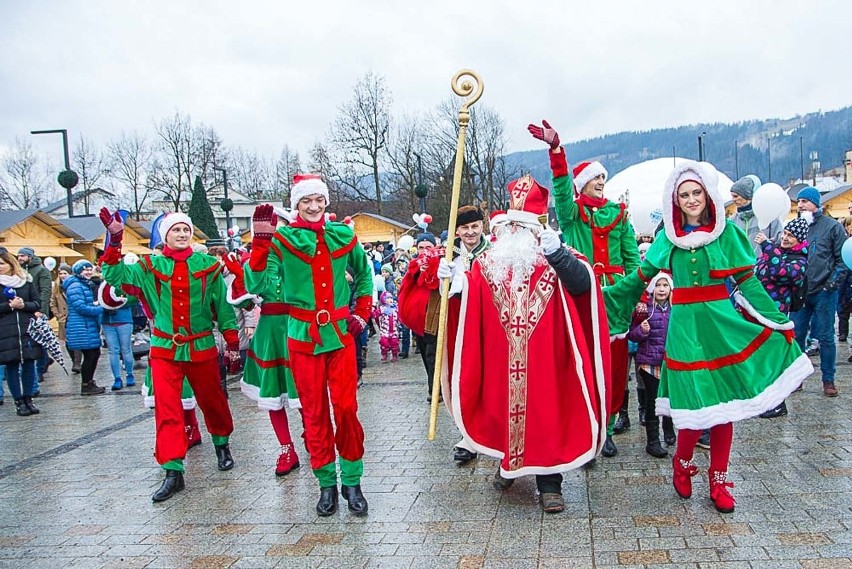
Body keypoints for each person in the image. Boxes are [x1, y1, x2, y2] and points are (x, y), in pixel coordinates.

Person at [604, 160, 812, 513]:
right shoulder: (667, 238)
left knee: (723, 406)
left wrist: (778, 322)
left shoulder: (726, 232)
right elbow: (638, 277)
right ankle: (682, 462)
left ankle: (719, 478)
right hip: (684, 327)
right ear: (676, 200)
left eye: (696, 192)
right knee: (692, 404)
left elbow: (749, 282)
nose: (691, 199)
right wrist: (604, 298)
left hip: (720, 323)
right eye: (683, 194)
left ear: (707, 194)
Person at [399, 174, 610, 513]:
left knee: (545, 414)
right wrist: (452, 284)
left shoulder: (555, 256)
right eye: (509, 224)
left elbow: (584, 285)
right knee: (502, 410)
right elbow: (469, 296)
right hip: (502, 359)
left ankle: (549, 483)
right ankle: (509, 465)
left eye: (520, 225)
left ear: (535, 227)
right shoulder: (490, 263)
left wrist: (559, 256)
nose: (512, 232)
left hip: (547, 360)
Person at [245, 174, 373, 517]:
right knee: (314, 413)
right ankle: (326, 484)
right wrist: (260, 243)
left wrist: (361, 313)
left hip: (340, 336)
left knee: (346, 409)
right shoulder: (283, 240)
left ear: (326, 201)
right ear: (296, 205)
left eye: (318, 200)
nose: (313, 207)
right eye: (306, 202)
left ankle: (353, 481)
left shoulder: (344, 236)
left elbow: (364, 275)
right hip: (302, 338)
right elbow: (256, 283)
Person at [99, 208, 241, 502]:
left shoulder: (207, 266)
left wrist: (230, 337)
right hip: (165, 350)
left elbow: (221, 306)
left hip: (200, 345)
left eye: (185, 230)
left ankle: (222, 443)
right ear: (165, 235)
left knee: (212, 399)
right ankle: (173, 470)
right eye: (175, 230)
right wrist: (114, 239)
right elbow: (113, 274)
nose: (181, 234)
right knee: (167, 409)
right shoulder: (149, 266)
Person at [528, 120, 640, 458]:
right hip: (582, 292)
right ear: (583, 185)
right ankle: (588, 422)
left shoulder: (619, 214)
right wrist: (556, 152)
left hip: (617, 296)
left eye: (604, 178)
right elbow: (561, 190)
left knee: (616, 364)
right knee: (586, 360)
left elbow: (633, 257)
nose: (601, 184)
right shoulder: (572, 214)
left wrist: (634, 292)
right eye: (595, 179)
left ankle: (607, 423)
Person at [789, 187, 846, 397]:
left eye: (805, 201)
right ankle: (796, 379)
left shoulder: (832, 227)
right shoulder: (795, 228)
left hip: (824, 291)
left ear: (815, 203)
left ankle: (828, 379)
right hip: (801, 291)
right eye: (799, 201)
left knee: (826, 337)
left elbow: (842, 260)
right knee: (796, 337)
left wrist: (831, 284)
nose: (801, 205)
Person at [754, 217, 810, 418]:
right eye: (785, 233)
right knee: (762, 356)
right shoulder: (776, 251)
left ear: (799, 240)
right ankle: (765, 399)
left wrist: (767, 246)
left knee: (774, 358)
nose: (785, 238)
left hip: (776, 315)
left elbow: (780, 272)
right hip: (759, 312)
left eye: (791, 236)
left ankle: (779, 403)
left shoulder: (800, 261)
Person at [627, 273, 676, 457]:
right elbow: (632, 334)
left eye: (665, 285)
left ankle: (669, 430)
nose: (661, 289)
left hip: (669, 361)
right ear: (652, 288)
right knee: (652, 401)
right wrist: (641, 330)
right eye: (658, 285)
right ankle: (653, 441)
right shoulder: (644, 309)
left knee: (670, 397)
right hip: (649, 362)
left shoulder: (675, 309)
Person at [0, 248, 43, 416]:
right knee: (12, 365)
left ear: (11, 264)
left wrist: (24, 305)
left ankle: (28, 398)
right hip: (6, 331)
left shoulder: (26, 281)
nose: (0, 267)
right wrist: (9, 306)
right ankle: (19, 401)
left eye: (2, 264)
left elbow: (37, 303)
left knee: (29, 364)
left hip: (27, 329)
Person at [64, 260, 106, 396]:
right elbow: (80, 307)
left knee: (94, 353)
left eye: (89, 269)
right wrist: (100, 308)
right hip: (80, 326)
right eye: (85, 270)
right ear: (78, 271)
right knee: (90, 355)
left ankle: (89, 381)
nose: (88, 272)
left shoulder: (84, 284)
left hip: (87, 324)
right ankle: (86, 384)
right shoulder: (75, 286)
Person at [17, 247, 52, 391]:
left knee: (39, 341)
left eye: (23, 256)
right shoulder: (19, 270)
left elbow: (45, 290)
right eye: (18, 256)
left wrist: (41, 310)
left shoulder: (41, 270)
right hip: (25, 308)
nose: (20, 258)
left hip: (37, 309)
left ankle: (40, 367)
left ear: (30, 256)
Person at [99, 278, 138, 391]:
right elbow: (99, 299)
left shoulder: (126, 282)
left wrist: (119, 302)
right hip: (107, 321)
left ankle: (130, 375)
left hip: (124, 320)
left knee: (126, 349)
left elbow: (134, 299)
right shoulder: (103, 284)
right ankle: (117, 378)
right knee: (113, 351)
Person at [728, 175, 782, 256]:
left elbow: (779, 241)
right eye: (732, 196)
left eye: (736, 196)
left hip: (763, 266)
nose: (733, 200)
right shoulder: (731, 221)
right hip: (741, 267)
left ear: (747, 196)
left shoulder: (769, 217)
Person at [50, 264, 82, 374]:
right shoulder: (57, 287)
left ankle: (77, 363)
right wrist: (58, 315)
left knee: (76, 339)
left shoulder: (75, 285)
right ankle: (74, 361)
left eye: (65, 273)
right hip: (63, 318)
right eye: (61, 273)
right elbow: (53, 303)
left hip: (74, 317)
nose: (63, 275)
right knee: (68, 342)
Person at [836, 217, 852, 343]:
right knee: (842, 311)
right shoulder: (843, 243)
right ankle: (842, 333)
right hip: (844, 282)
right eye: (848, 225)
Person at [372, 291, 400, 363]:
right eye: (388, 298)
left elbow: (400, 316)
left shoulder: (395, 308)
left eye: (391, 298)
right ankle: (384, 354)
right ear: (383, 300)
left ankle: (394, 355)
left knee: (394, 343)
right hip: (385, 330)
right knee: (384, 342)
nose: (390, 300)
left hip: (394, 330)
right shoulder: (382, 309)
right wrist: (373, 311)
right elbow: (375, 315)